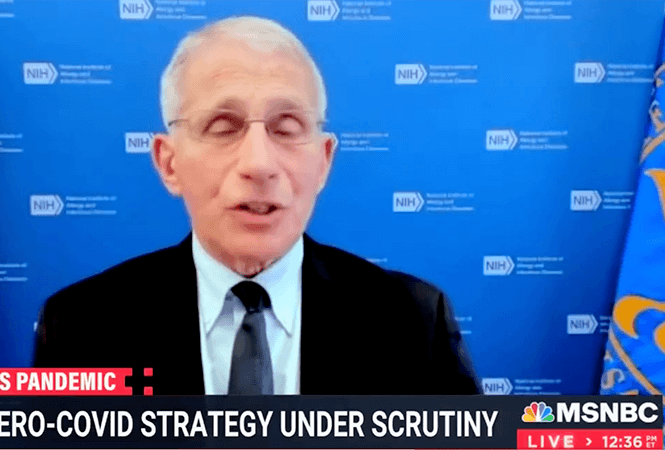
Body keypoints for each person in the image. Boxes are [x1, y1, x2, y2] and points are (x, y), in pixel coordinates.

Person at [33, 15, 480, 395]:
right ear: (169, 163)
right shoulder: (80, 328)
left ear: (323, 161)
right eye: (223, 127)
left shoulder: (413, 320)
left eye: (286, 127)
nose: (259, 164)